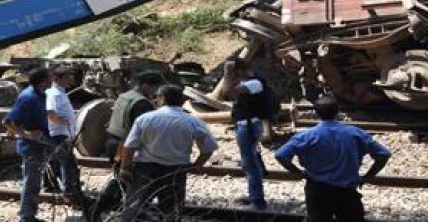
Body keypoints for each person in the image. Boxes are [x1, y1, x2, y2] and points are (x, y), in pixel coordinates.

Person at [274, 96, 391, 222]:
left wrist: (298, 173)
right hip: (347, 192)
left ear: (316, 114)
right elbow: (383, 154)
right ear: (337, 112)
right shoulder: (356, 133)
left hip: (317, 190)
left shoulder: (305, 136)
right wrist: (367, 177)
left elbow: (281, 155)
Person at [118, 84, 219, 221]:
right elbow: (208, 148)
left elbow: (130, 146)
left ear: (162, 98)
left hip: (145, 170)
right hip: (175, 171)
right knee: (171, 211)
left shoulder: (145, 119)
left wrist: (125, 168)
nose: (155, 100)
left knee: (134, 209)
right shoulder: (194, 122)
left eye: (157, 97)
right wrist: (197, 165)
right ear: (181, 101)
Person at [89, 70, 164, 221]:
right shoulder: (141, 103)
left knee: (121, 181)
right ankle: (101, 210)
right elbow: (141, 130)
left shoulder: (125, 96)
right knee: (130, 181)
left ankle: (100, 210)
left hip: (113, 142)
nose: (156, 92)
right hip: (126, 146)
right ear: (145, 85)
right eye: (155, 88)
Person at [221, 59, 277, 211]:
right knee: (251, 161)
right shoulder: (248, 83)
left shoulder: (255, 83)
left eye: (234, 73)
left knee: (250, 163)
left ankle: (258, 202)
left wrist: (227, 74)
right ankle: (254, 195)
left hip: (249, 126)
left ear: (238, 71)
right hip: (245, 125)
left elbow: (226, 93)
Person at [3, 67, 53, 222]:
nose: (53, 79)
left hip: (43, 143)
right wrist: (25, 134)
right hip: (31, 147)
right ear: (44, 81)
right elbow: (7, 121)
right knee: (31, 182)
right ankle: (27, 217)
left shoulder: (41, 94)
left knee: (36, 179)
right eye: (51, 77)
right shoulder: (28, 98)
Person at [45, 65, 79, 196]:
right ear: (56, 78)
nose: (70, 78)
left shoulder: (60, 92)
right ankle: (69, 191)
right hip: (58, 133)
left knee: (54, 160)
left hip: (60, 132)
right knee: (67, 161)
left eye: (70, 75)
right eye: (67, 76)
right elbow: (50, 112)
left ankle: (49, 186)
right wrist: (62, 122)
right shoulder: (54, 94)